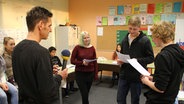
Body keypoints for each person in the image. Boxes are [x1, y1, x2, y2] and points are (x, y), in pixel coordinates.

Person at [12, 6, 68, 104]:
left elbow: (27, 77)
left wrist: (48, 71)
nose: (50, 30)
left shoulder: (17, 49)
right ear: (41, 25)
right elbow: (48, 92)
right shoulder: (41, 52)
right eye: (50, 26)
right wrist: (60, 76)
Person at [141, 21, 184, 104]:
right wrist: (154, 78)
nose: (152, 40)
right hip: (171, 98)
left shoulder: (163, 56)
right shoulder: (179, 52)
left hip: (159, 100)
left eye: (153, 36)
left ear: (159, 36)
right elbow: (170, 77)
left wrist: (146, 81)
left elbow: (160, 88)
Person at [117, 16, 154, 104]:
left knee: (135, 100)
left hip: (137, 76)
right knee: (120, 99)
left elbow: (151, 58)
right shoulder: (125, 39)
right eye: (130, 28)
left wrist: (136, 60)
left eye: (135, 29)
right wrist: (120, 61)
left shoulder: (145, 40)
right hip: (124, 74)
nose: (132, 31)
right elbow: (122, 54)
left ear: (139, 28)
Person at [70, 31, 98, 104]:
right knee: (84, 94)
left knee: (86, 94)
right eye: (84, 38)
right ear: (81, 39)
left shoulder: (92, 48)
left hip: (90, 74)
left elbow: (95, 62)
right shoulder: (77, 47)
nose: (86, 39)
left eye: (88, 37)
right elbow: (72, 61)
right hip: (80, 74)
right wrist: (82, 63)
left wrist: (95, 74)